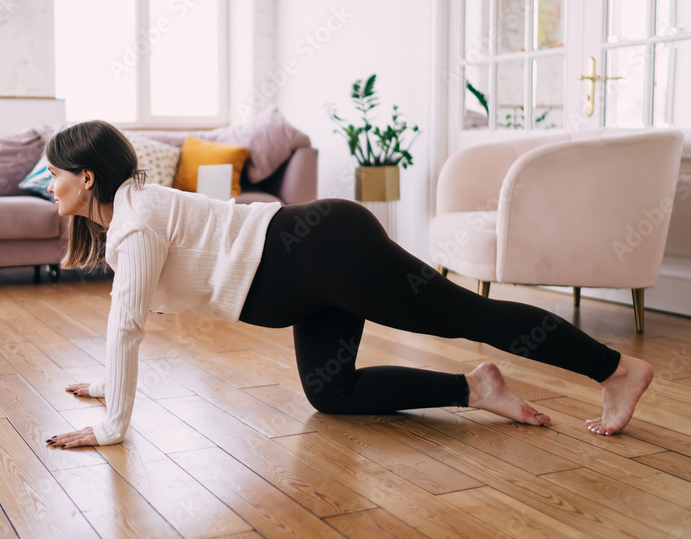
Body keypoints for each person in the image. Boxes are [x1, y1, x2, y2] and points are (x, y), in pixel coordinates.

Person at [44, 121, 653, 449]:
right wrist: (103, 385)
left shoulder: (136, 225)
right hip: (307, 276)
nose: (51, 185)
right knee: (329, 391)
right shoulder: (129, 214)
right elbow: (125, 320)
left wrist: (111, 424)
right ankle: (475, 387)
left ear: (88, 177)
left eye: (55, 175)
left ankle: (615, 370)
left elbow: (127, 326)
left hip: (325, 254)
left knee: (470, 316)